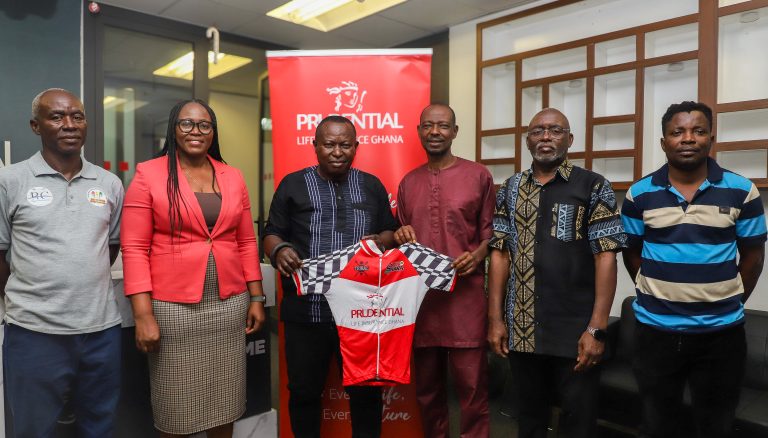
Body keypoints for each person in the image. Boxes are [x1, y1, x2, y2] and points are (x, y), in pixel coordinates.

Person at [120, 99, 266, 438]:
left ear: (213, 132)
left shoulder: (232, 175)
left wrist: (256, 297)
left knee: (226, 401)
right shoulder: (149, 174)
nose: (195, 131)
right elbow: (134, 248)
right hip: (173, 309)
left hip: (228, 305)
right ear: (173, 129)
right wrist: (143, 315)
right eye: (186, 123)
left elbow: (246, 241)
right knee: (176, 407)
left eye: (204, 125)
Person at [621, 101, 766, 438]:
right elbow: (631, 253)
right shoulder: (639, 194)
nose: (688, 138)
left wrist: (727, 301)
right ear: (664, 142)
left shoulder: (742, 190)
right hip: (655, 333)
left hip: (721, 337)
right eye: (678, 132)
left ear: (710, 138)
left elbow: (753, 257)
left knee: (715, 426)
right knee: (658, 425)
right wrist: (656, 293)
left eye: (698, 131)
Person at [487, 108, 627, 438]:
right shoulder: (509, 188)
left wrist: (597, 328)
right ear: (527, 140)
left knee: (578, 422)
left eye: (555, 130)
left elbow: (606, 256)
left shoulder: (593, 185)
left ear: (570, 139)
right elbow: (500, 254)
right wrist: (495, 320)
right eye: (538, 131)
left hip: (575, 329)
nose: (546, 137)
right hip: (522, 328)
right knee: (529, 420)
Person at [263, 115, 398, 438]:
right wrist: (280, 250)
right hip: (306, 312)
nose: (337, 152)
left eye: (345, 145)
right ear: (315, 146)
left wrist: (382, 241)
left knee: (367, 394)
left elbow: (390, 231)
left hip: (362, 313)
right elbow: (270, 233)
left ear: (356, 147)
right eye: (329, 144)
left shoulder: (371, 185)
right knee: (304, 393)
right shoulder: (293, 184)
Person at [0, 88, 124, 437]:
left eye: (77, 116)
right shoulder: (10, 181)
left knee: (99, 428)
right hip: (34, 334)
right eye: (56, 117)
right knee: (33, 430)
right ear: (35, 126)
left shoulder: (109, 183)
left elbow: (110, 247)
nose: (69, 124)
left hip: (101, 332)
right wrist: (32, 298)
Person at [394, 103, 494, 437]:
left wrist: (477, 255)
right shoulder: (408, 183)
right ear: (419, 131)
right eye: (427, 125)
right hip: (422, 303)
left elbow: (491, 234)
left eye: (442, 126)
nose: (434, 132)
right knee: (427, 392)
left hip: (466, 300)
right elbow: (401, 236)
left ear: (454, 131)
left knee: (472, 390)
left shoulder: (478, 176)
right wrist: (399, 233)